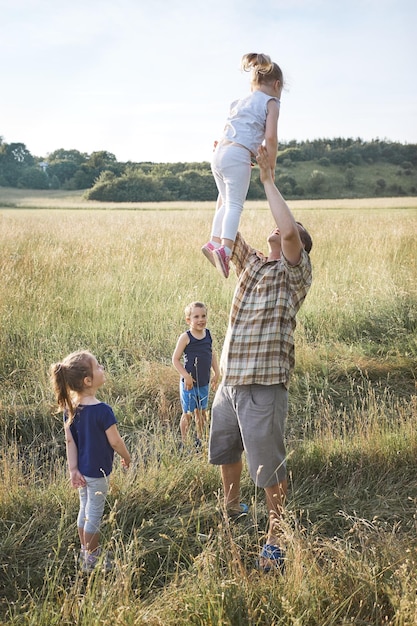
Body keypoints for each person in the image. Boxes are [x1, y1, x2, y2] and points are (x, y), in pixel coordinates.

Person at [208, 145, 313, 572]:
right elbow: (224, 232)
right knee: (226, 452)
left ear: (301, 247)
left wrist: (268, 179)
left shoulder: (294, 273)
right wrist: (226, 171)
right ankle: (232, 512)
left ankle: (276, 535)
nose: (281, 228)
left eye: (292, 228)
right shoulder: (253, 265)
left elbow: (288, 232)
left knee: (268, 466)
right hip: (229, 384)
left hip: (264, 386)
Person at [202, 52, 283, 279]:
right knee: (235, 206)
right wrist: (271, 167)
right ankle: (225, 250)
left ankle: (212, 242)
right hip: (238, 155)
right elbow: (272, 138)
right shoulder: (272, 103)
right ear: (277, 85)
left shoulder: (240, 101)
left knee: (225, 202)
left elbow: (232, 128)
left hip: (219, 152)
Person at [50, 350, 131, 572]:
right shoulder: (103, 411)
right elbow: (115, 441)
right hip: (98, 472)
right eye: (98, 367)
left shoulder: (71, 409)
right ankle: (92, 558)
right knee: (94, 513)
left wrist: (73, 470)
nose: (102, 369)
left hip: (82, 471)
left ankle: (85, 551)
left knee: (84, 508)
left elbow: (70, 442)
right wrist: (127, 456)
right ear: (88, 381)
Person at [172, 301, 220, 448]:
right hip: (189, 384)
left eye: (203, 316)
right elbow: (175, 359)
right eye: (196, 317)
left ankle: (200, 439)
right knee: (187, 413)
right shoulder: (186, 337)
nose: (201, 320)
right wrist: (186, 376)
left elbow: (211, 353)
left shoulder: (208, 334)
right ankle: (184, 442)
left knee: (202, 412)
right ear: (188, 320)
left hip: (204, 382)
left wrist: (216, 372)